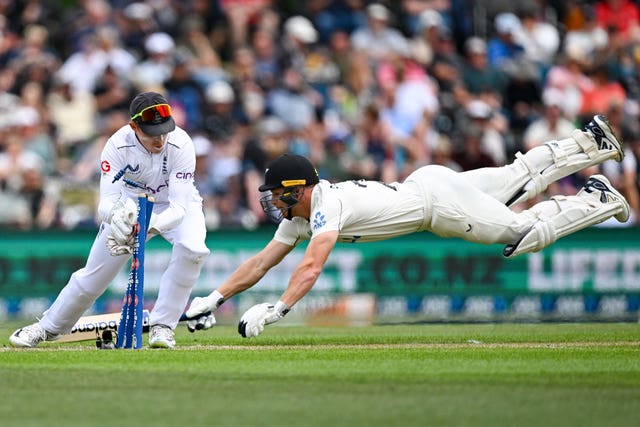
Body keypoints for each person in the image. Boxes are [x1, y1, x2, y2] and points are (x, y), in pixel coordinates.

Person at [184, 115, 629, 338]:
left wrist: (276, 309)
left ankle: (598, 200)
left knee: (520, 233)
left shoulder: (324, 205)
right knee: (515, 177)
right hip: (427, 182)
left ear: (298, 189)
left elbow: (312, 267)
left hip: (438, 205)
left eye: (278, 193)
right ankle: (589, 141)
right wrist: (214, 298)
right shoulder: (302, 214)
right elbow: (262, 262)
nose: (273, 202)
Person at [10, 92, 210, 348]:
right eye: (152, 133)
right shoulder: (116, 146)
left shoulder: (181, 143)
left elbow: (180, 207)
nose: (160, 139)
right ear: (134, 126)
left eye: (163, 131)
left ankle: (162, 326)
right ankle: (47, 328)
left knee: (193, 250)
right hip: (128, 206)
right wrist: (118, 218)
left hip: (173, 204)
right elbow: (105, 203)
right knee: (94, 276)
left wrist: (146, 227)